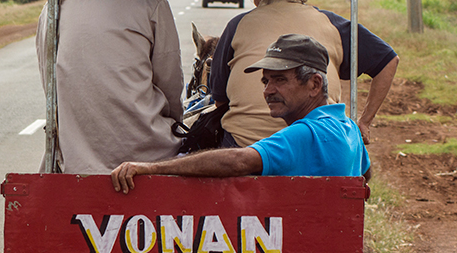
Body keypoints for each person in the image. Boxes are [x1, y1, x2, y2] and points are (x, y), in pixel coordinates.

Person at [111, 33, 370, 193]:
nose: (268, 90)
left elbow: (238, 160)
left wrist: (151, 168)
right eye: (265, 81)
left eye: (279, 80)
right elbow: (366, 173)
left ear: (314, 84)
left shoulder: (307, 133)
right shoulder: (347, 127)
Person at [210, 0, 399, 147]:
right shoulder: (334, 24)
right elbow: (388, 60)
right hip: (321, 147)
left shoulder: (238, 25)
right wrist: (364, 123)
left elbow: (220, 100)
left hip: (246, 148)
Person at [36, 0, 184, 174]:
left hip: (75, 159)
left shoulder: (55, 7)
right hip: (151, 155)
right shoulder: (152, 3)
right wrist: (175, 123)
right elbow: (171, 86)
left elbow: (50, 83)